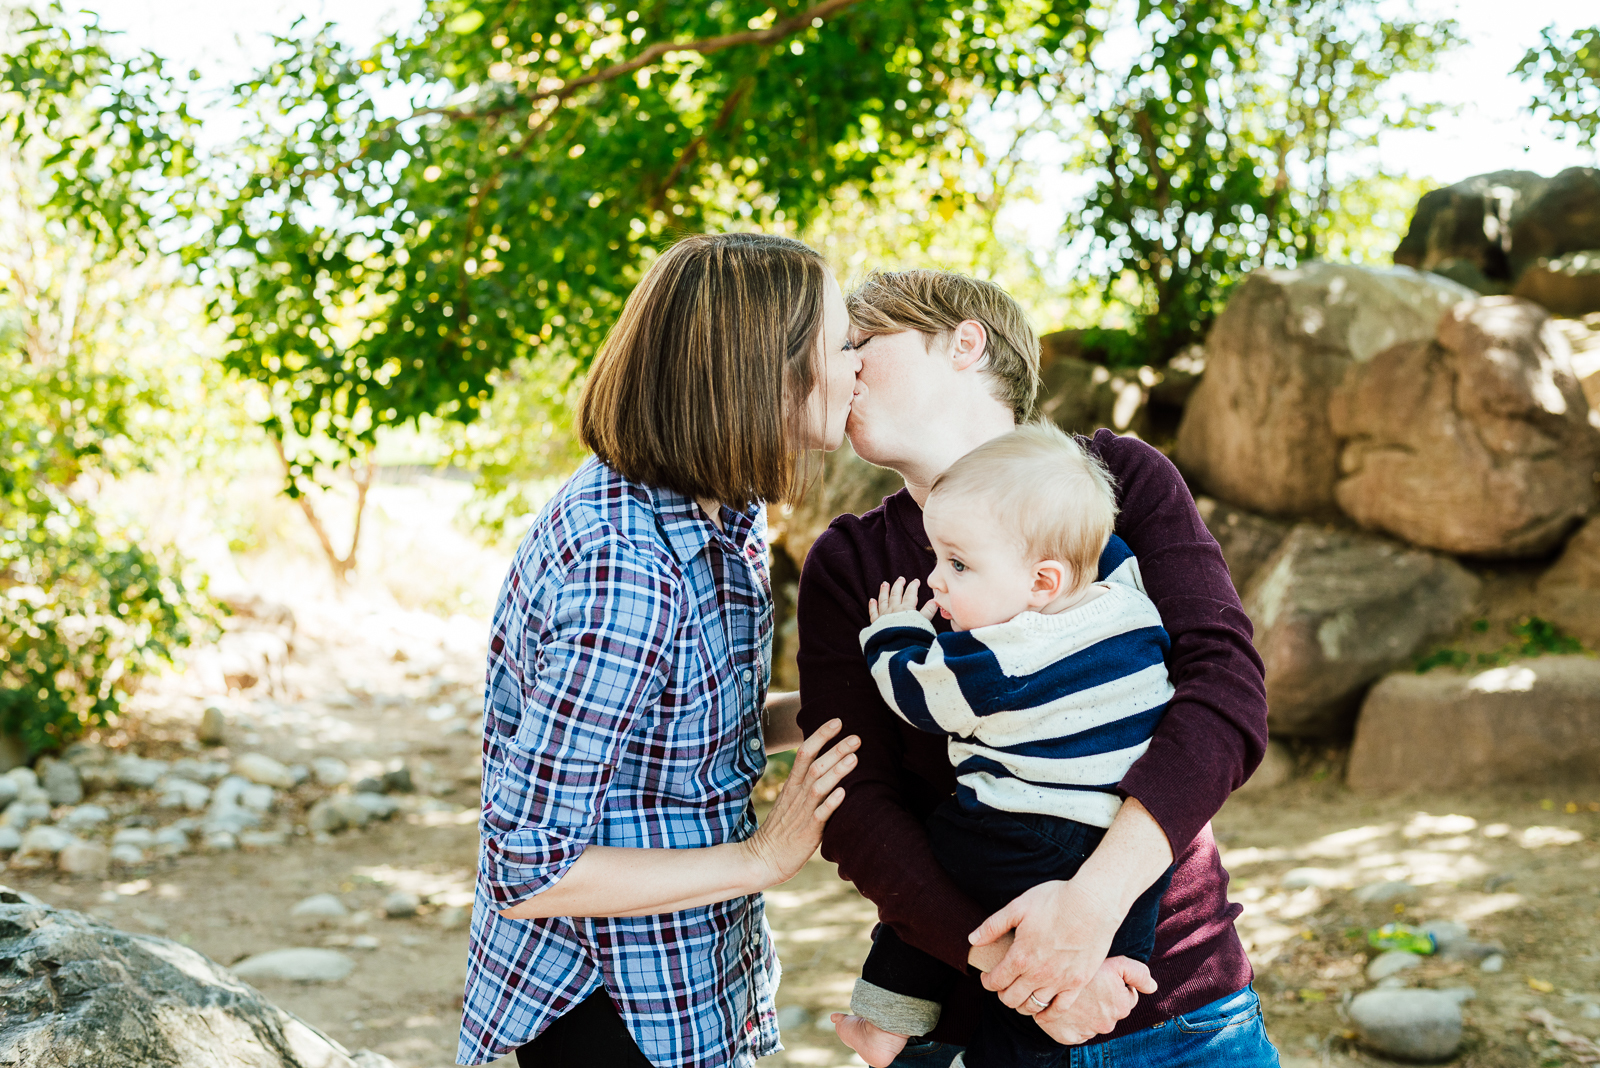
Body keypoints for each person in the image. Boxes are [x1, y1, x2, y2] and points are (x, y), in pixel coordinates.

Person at [796, 269, 1279, 1066]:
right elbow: (854, 800)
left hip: (1183, 1008)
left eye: (861, 342)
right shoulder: (851, 562)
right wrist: (1020, 968)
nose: (841, 367)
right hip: (982, 1017)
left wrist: (1091, 910)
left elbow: (1224, 696)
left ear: (964, 342)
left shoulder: (1119, 480)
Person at [458, 232, 867, 1068]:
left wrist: (819, 713)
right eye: (841, 344)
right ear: (767, 370)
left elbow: (669, 736)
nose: (858, 363)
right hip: (610, 1013)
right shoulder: (627, 569)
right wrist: (763, 856)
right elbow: (529, 867)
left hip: (694, 988)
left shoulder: (724, 511)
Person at [834, 424, 1178, 1068]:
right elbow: (1108, 552)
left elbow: (915, 696)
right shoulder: (1131, 601)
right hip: (1124, 839)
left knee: (932, 865)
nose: (937, 581)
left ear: (1043, 583)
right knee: (1098, 944)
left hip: (1019, 832)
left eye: (959, 564)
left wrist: (893, 632)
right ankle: (1114, 970)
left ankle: (885, 1018)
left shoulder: (998, 653)